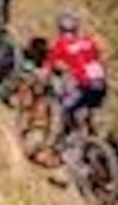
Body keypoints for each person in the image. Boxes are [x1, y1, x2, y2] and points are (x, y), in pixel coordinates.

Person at [43, 10, 109, 170]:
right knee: (85, 111)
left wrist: (43, 79)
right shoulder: (87, 41)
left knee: (64, 111)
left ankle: (52, 152)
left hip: (85, 85)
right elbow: (98, 58)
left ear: (60, 29)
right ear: (76, 29)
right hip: (101, 85)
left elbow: (48, 68)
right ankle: (91, 142)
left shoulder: (61, 44)